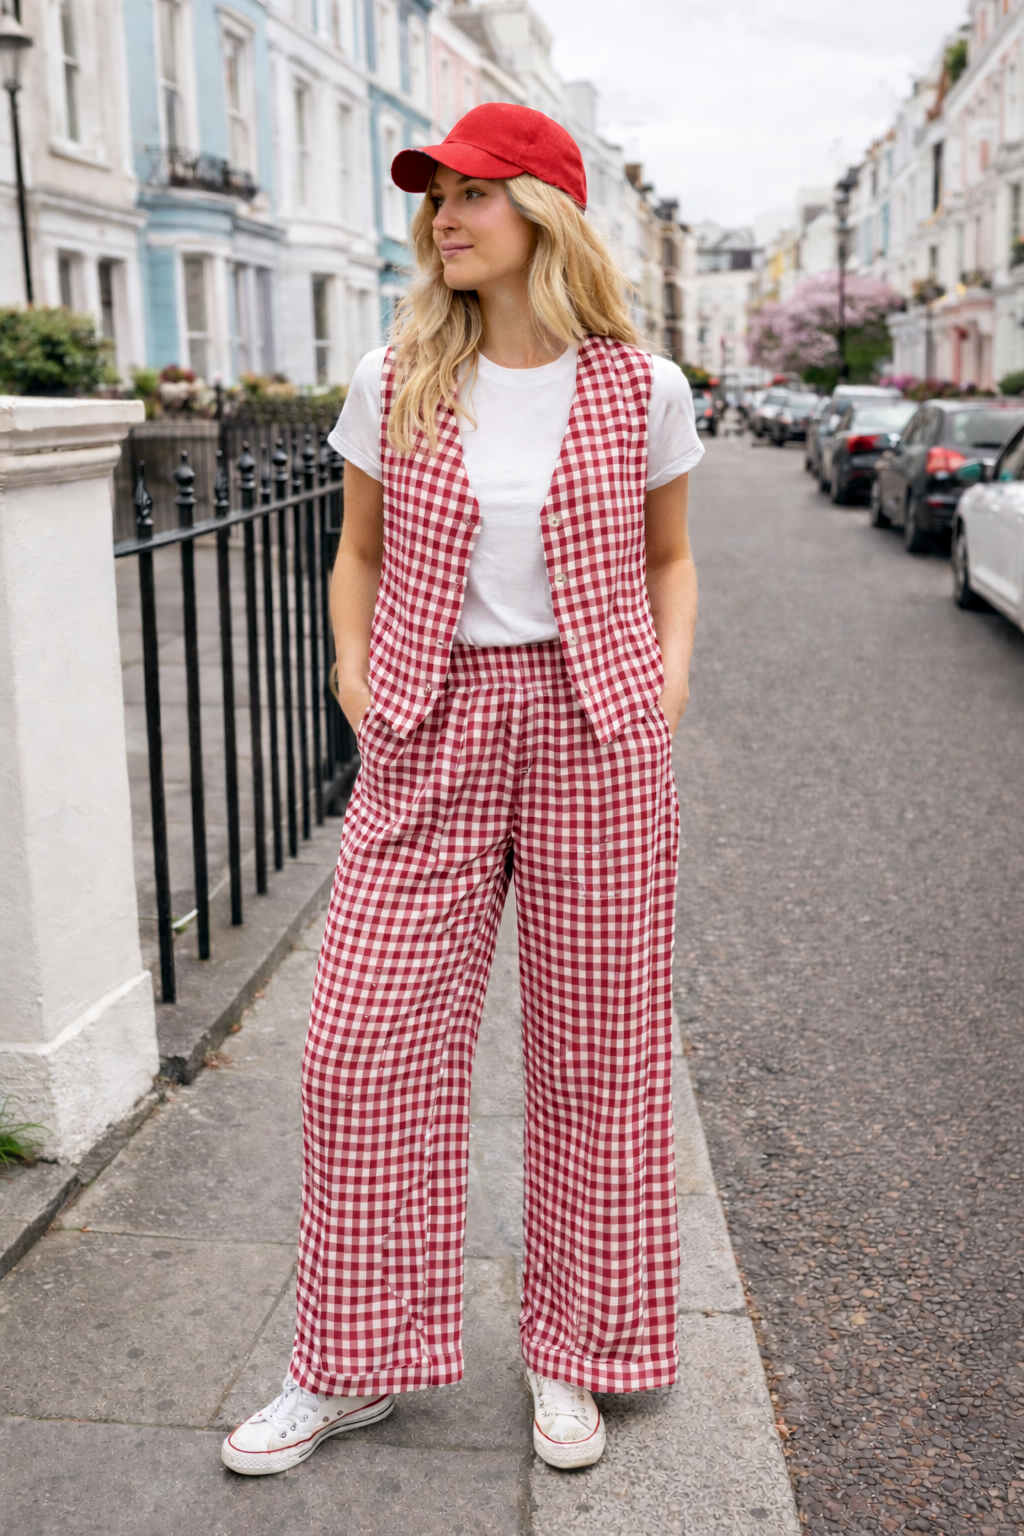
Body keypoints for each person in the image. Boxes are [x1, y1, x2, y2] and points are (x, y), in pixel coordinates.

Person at [222, 101, 702, 1479]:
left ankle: (576, 1354)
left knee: (601, 1061)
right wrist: (359, 689)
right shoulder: (396, 376)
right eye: (434, 195)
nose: (444, 215)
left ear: (542, 210)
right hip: (433, 722)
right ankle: (350, 1361)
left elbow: (672, 558)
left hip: (593, 723)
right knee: (358, 1050)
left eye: (473, 192)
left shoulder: (643, 388)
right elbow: (356, 556)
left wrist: (660, 692)